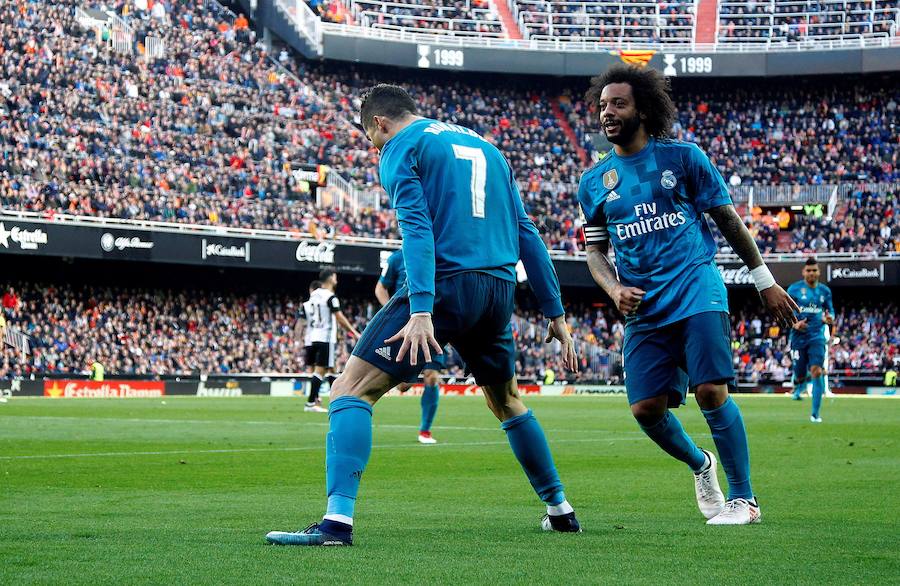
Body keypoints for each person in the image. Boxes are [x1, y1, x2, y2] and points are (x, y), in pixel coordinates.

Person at [266, 84, 580, 547]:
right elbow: (527, 233)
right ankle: (560, 510)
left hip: (446, 283)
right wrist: (555, 310)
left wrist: (421, 309)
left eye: (370, 136)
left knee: (349, 391)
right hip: (497, 290)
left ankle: (336, 523)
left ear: (380, 123)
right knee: (507, 401)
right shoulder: (488, 148)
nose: (374, 146)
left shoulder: (401, 146)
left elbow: (415, 227)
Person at [577, 65, 798, 526]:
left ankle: (744, 499)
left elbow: (728, 220)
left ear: (644, 108)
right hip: (645, 305)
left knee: (711, 391)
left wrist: (764, 280)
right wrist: (613, 286)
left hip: (696, 285)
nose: (608, 113)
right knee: (645, 409)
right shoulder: (594, 182)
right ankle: (702, 464)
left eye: (618, 103)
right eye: (602, 106)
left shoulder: (683, 158)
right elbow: (595, 251)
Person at [376, 249, 443, 444]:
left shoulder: (437, 254)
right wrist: (390, 312)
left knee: (431, 377)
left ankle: (425, 430)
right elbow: (380, 288)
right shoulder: (397, 258)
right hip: (405, 325)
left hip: (433, 324)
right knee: (404, 385)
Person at [303, 270, 361, 413]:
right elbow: (339, 317)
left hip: (314, 336)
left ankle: (338, 399)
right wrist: (354, 333)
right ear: (330, 279)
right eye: (335, 277)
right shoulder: (330, 297)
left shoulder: (314, 295)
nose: (337, 280)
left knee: (331, 369)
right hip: (325, 337)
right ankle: (310, 403)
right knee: (320, 370)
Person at [786, 258, 834, 422]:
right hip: (798, 337)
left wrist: (829, 318)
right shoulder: (794, 289)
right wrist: (794, 324)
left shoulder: (825, 291)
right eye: (809, 270)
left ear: (819, 272)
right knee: (799, 373)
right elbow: (786, 312)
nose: (812, 273)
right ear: (803, 272)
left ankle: (815, 414)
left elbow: (831, 311)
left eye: (814, 270)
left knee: (817, 370)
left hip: (817, 336)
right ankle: (799, 384)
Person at [297, 280, 322, 408]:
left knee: (312, 370)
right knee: (323, 369)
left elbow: (300, 323)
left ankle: (315, 397)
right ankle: (314, 398)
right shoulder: (323, 304)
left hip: (309, 340)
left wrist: (297, 340)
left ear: (311, 290)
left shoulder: (305, 305)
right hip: (321, 339)